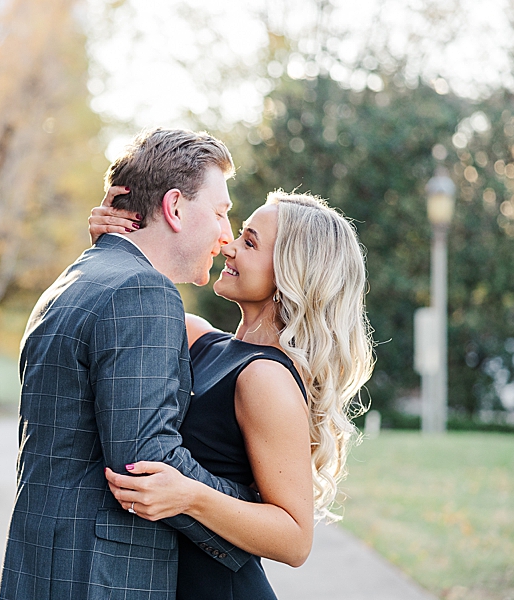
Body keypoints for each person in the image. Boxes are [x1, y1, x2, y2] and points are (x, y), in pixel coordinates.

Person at [0, 129, 263, 600]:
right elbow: (144, 463)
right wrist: (250, 509)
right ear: (175, 207)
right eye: (222, 213)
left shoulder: (74, 279)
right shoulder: (144, 293)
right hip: (107, 581)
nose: (226, 236)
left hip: (42, 568)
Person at [88, 189, 375, 599]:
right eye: (239, 234)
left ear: (290, 272)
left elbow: (295, 539)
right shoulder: (198, 337)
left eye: (250, 242)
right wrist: (113, 244)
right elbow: (127, 303)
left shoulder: (265, 377)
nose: (229, 245)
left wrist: (188, 496)